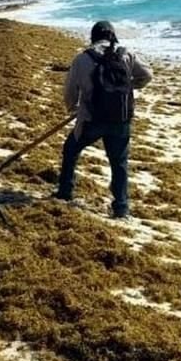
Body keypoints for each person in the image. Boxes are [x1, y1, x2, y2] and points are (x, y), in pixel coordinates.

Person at [54, 20, 152, 218]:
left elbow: (70, 92)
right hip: (121, 120)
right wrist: (127, 87)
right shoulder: (126, 55)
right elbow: (147, 75)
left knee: (71, 149)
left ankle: (65, 193)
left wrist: (73, 108)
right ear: (112, 36)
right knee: (119, 162)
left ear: (92, 37)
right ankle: (121, 207)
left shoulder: (82, 59)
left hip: (91, 120)